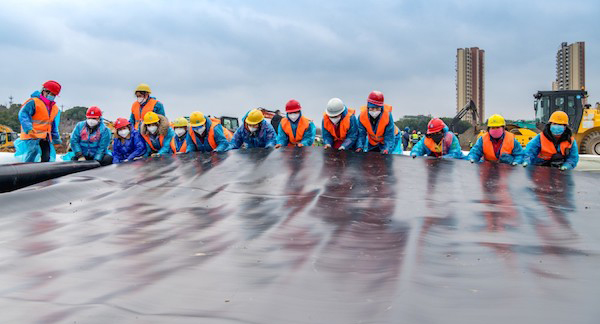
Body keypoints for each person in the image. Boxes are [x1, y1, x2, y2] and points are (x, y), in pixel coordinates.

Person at [17, 80, 63, 162]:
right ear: (44, 91)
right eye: (51, 94)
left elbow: (53, 125)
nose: (52, 96)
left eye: (54, 95)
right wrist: (28, 128)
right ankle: (27, 170)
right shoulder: (33, 102)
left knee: (46, 155)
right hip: (32, 135)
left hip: (45, 137)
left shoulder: (54, 108)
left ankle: (44, 173)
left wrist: (56, 139)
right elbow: (23, 114)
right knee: (33, 151)